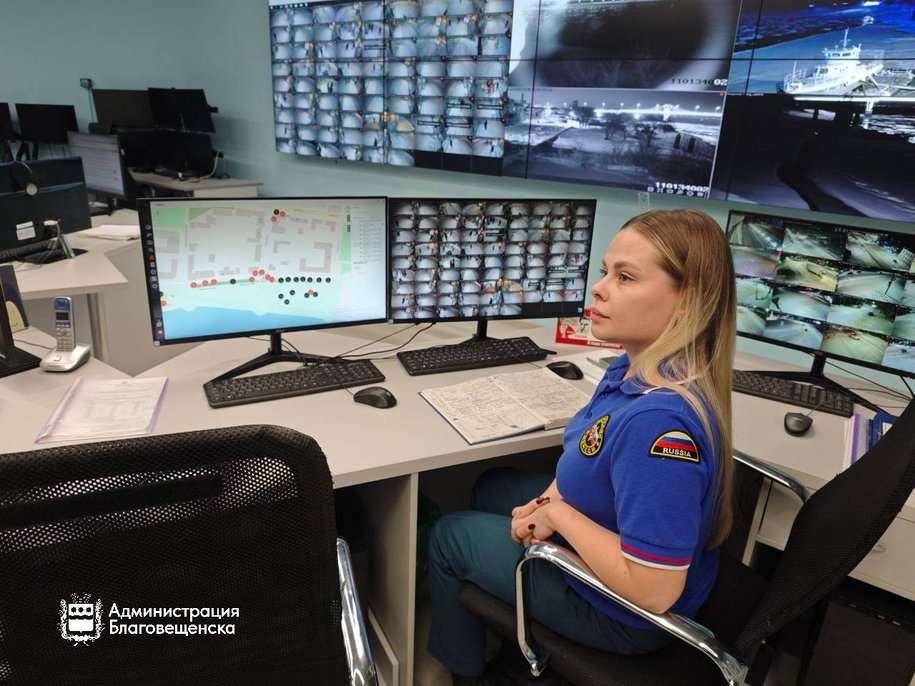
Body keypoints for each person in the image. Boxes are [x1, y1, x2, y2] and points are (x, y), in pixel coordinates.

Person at [426, 209, 738, 686]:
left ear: (688, 301)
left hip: (624, 613)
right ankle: (509, 626)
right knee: (492, 485)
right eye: (606, 272)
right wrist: (548, 501)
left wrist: (558, 516)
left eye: (625, 277)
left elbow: (654, 590)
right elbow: (586, 455)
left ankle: (465, 675)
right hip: (612, 534)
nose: (599, 288)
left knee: (450, 536)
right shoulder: (634, 368)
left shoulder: (657, 428)